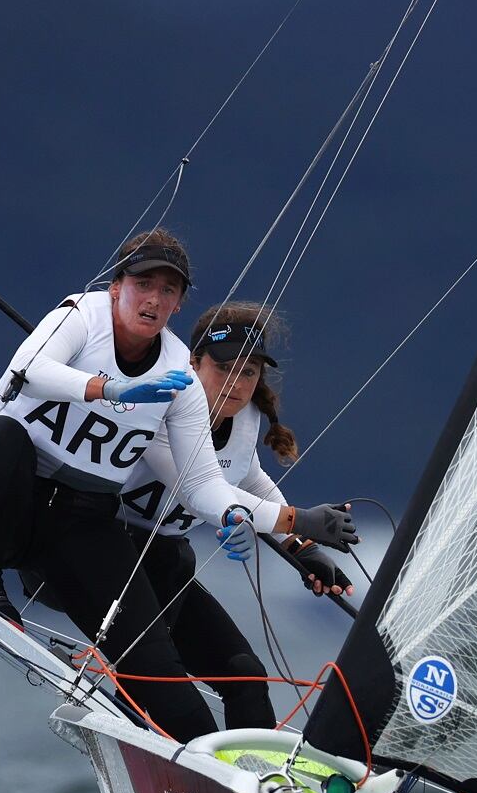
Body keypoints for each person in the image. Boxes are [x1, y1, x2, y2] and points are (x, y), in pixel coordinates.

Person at [0, 228, 356, 741]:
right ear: (116, 286)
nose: (154, 298)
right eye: (143, 283)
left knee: (187, 703)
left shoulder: (178, 380)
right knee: (4, 438)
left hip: (79, 527)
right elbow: (28, 368)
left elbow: (205, 487)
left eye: (168, 290)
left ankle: (231, 782)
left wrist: (297, 533)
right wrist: (110, 388)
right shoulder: (79, 317)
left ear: (178, 304)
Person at [117, 300, 355, 731]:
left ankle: (261, 790)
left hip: (164, 565)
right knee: (165, 669)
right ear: (193, 363)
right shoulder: (162, 404)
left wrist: (302, 550)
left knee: (246, 675)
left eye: (248, 372)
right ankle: (139, 709)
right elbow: (199, 490)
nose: (236, 384)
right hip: (109, 551)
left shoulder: (245, 419)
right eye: (223, 369)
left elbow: (252, 481)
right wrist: (297, 519)